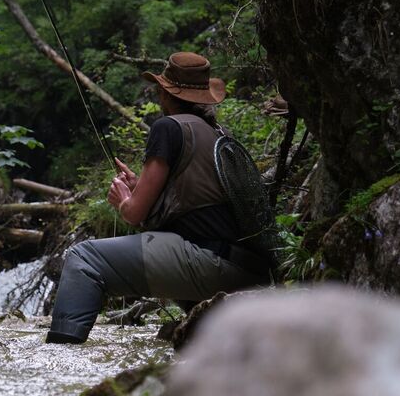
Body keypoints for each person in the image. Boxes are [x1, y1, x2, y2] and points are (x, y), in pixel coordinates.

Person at [46, 52, 272, 344]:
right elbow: (198, 205)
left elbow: (135, 214)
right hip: (249, 269)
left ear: (166, 92)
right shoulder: (217, 132)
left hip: (212, 263)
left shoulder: (169, 127)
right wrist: (140, 186)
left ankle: (59, 354)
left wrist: (124, 199)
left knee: (83, 258)